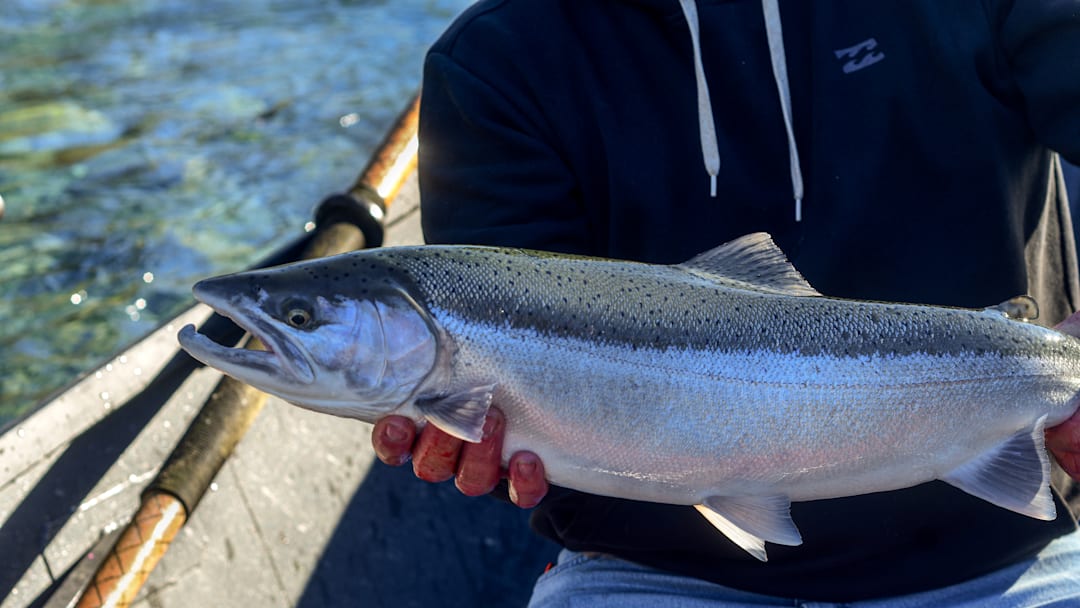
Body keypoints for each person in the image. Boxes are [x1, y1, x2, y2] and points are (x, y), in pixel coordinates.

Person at [373, 0, 1080, 605]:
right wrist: (476, 448)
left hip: (1012, 551)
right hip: (651, 573)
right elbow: (497, 416)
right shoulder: (497, 60)